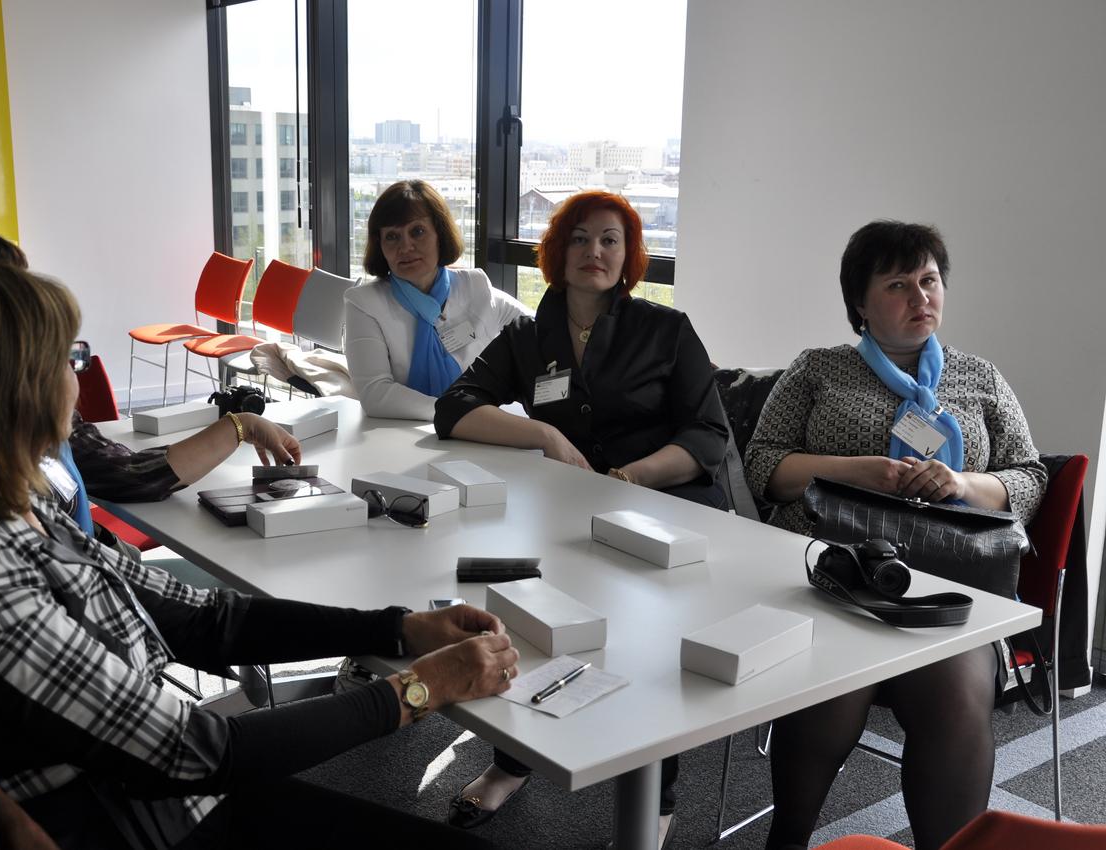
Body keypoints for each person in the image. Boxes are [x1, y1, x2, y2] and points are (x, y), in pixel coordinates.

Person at [0, 261, 521, 849]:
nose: (77, 379)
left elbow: (205, 619)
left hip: (154, 800)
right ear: (8, 390)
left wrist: (396, 630)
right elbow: (199, 751)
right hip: (134, 822)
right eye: (68, 358)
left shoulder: (9, 504)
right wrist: (422, 688)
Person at [0, 217, 304, 754]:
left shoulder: (10, 384)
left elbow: (124, 473)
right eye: (2, 295)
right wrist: (46, 630)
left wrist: (241, 425)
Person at [433, 191, 730, 843]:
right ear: (557, 251)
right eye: (580, 238)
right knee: (532, 625)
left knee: (650, 653)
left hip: (661, 515)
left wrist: (629, 477)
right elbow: (453, 408)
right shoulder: (528, 335)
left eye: (610, 240)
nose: (594, 251)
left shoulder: (666, 330)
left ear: (628, 257)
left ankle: (658, 797)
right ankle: (514, 761)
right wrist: (542, 434)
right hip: (566, 515)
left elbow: (708, 435)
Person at [743, 220, 1047, 850]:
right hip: (836, 577)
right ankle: (788, 839)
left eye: (929, 281)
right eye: (898, 285)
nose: (920, 297)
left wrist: (963, 484)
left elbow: (1030, 475)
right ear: (860, 302)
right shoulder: (818, 369)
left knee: (956, 697)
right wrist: (857, 472)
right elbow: (763, 465)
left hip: (950, 589)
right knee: (831, 682)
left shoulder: (980, 377)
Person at [344, 180, 530, 420]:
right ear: (380, 246)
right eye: (392, 236)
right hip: (402, 433)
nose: (405, 246)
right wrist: (457, 414)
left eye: (417, 232)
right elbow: (376, 394)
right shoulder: (364, 303)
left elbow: (537, 330)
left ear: (440, 234)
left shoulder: (474, 286)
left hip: (481, 428)